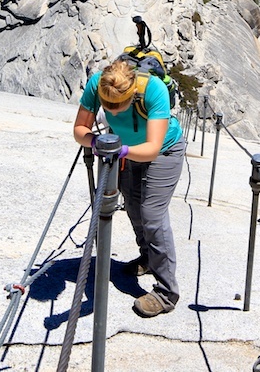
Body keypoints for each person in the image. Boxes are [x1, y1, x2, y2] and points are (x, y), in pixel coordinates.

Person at [73, 57, 185, 317]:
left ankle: (166, 293)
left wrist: (119, 149)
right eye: (107, 105)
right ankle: (147, 258)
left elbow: (152, 148)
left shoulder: (153, 89)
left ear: (132, 94)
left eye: (118, 106)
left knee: (152, 216)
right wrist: (95, 142)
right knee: (133, 207)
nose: (112, 112)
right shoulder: (96, 84)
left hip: (164, 151)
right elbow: (79, 129)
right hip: (126, 150)